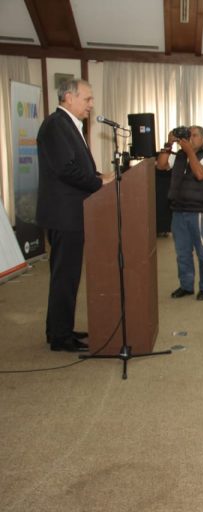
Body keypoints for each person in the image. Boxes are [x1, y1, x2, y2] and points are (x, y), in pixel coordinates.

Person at [36, 78, 113, 352]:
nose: (91, 104)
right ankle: (61, 337)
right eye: (87, 99)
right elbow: (65, 169)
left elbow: (75, 166)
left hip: (69, 213)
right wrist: (98, 183)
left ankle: (58, 329)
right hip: (64, 214)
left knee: (66, 276)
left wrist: (98, 176)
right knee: (65, 277)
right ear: (69, 97)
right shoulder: (56, 125)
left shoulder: (68, 124)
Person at [157, 125, 203, 301]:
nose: (191, 138)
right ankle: (186, 286)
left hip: (200, 211)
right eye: (188, 135)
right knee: (182, 253)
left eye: (195, 135)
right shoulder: (179, 156)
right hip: (178, 210)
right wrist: (168, 144)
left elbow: (200, 174)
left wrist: (189, 152)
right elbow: (161, 165)